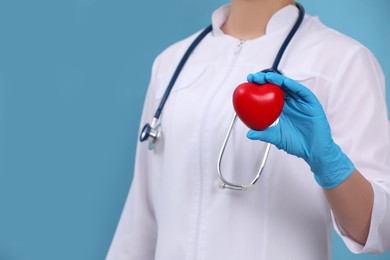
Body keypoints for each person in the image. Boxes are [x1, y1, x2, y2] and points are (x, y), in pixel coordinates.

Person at [106, 0, 390, 259]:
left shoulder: (341, 61)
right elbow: (141, 220)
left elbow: (381, 228)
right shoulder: (171, 63)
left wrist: (330, 164)